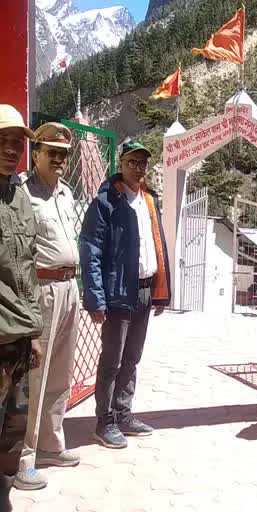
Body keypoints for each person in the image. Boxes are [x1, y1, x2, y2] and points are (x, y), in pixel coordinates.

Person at [80, 139, 171, 449]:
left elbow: (157, 245)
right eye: (132, 162)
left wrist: (161, 291)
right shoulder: (106, 202)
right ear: (120, 164)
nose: (138, 168)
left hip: (145, 289)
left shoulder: (149, 200)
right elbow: (90, 251)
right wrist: (95, 298)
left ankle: (123, 413)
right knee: (112, 361)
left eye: (143, 163)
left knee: (132, 358)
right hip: (118, 292)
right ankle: (103, 422)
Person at [14, 123, 81, 491]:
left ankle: (51, 446)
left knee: (61, 373)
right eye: (50, 152)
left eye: (63, 154)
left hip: (69, 287)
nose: (58, 159)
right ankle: (24, 457)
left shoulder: (66, 193)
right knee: (34, 377)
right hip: (40, 289)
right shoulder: (22, 193)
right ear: (35, 152)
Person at [0, 105, 43, 508]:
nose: (11, 150)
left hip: (18, 337)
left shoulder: (20, 196)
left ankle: (4, 491)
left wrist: (34, 332)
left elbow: (27, 269)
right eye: (3, 141)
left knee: (14, 425)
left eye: (17, 144)